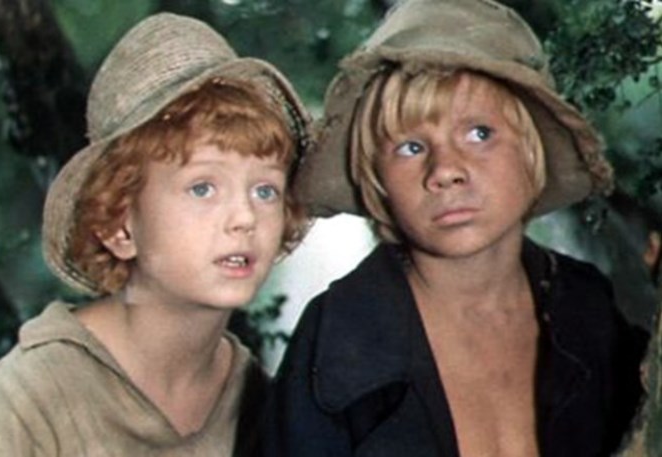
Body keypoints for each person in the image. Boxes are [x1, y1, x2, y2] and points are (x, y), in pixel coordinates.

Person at [262, 0, 645, 456]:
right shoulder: (337, 335)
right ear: (378, 182)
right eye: (410, 147)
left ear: (531, 154)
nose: (445, 170)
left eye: (479, 133)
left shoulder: (587, 307)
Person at [0, 12, 310, 457]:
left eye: (265, 190)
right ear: (118, 226)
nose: (245, 217)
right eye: (203, 188)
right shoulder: (33, 397)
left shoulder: (258, 399)